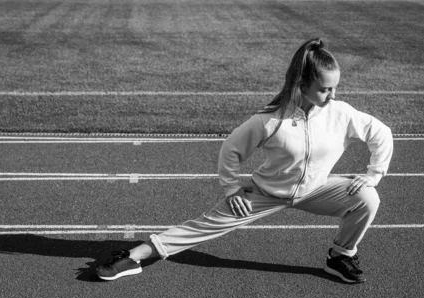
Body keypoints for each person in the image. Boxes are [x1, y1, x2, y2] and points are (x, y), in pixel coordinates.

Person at [96, 37, 393, 283]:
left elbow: (381, 133)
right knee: (202, 226)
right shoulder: (270, 120)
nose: (332, 95)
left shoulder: (341, 113)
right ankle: (134, 257)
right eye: (325, 89)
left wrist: (374, 173)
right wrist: (231, 188)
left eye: (334, 88)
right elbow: (231, 150)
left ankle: (340, 257)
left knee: (367, 197)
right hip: (265, 194)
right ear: (302, 84)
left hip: (316, 189)